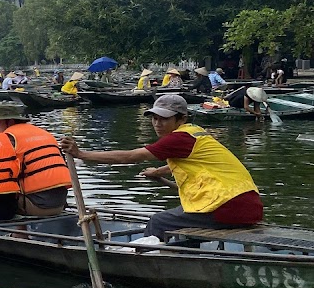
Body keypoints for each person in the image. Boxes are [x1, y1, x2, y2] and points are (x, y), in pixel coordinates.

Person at [60, 93, 263, 241]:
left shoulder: (179, 138)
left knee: (159, 221)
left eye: (164, 118)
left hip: (228, 207)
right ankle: (182, 258)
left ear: (181, 118)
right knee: (182, 224)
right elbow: (195, 165)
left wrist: (81, 154)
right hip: (248, 206)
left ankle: (142, 263)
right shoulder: (196, 133)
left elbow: (131, 156)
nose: (157, 123)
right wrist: (158, 172)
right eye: (154, 118)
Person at [0, 102, 71, 216]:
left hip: (37, 206)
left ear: (11, 122)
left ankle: (14, 232)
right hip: (60, 204)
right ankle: (21, 232)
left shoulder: (7, 138)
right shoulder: (43, 132)